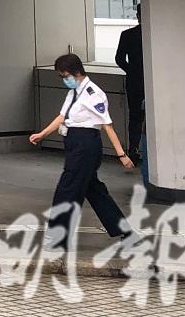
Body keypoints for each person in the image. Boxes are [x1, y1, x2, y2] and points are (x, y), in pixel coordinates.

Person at [29, 53, 135, 246]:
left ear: (76, 72)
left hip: (85, 145)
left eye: (65, 76)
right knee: (94, 190)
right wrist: (42, 134)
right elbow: (62, 117)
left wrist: (121, 154)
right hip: (75, 143)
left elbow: (107, 125)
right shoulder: (74, 92)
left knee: (67, 189)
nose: (64, 80)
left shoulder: (93, 94)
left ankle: (58, 238)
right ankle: (126, 233)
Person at [114, 5, 145, 162]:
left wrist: (132, 71)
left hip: (134, 81)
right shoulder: (157, 36)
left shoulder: (127, 35)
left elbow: (119, 59)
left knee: (135, 117)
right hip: (152, 81)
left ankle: (134, 149)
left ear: (138, 16)